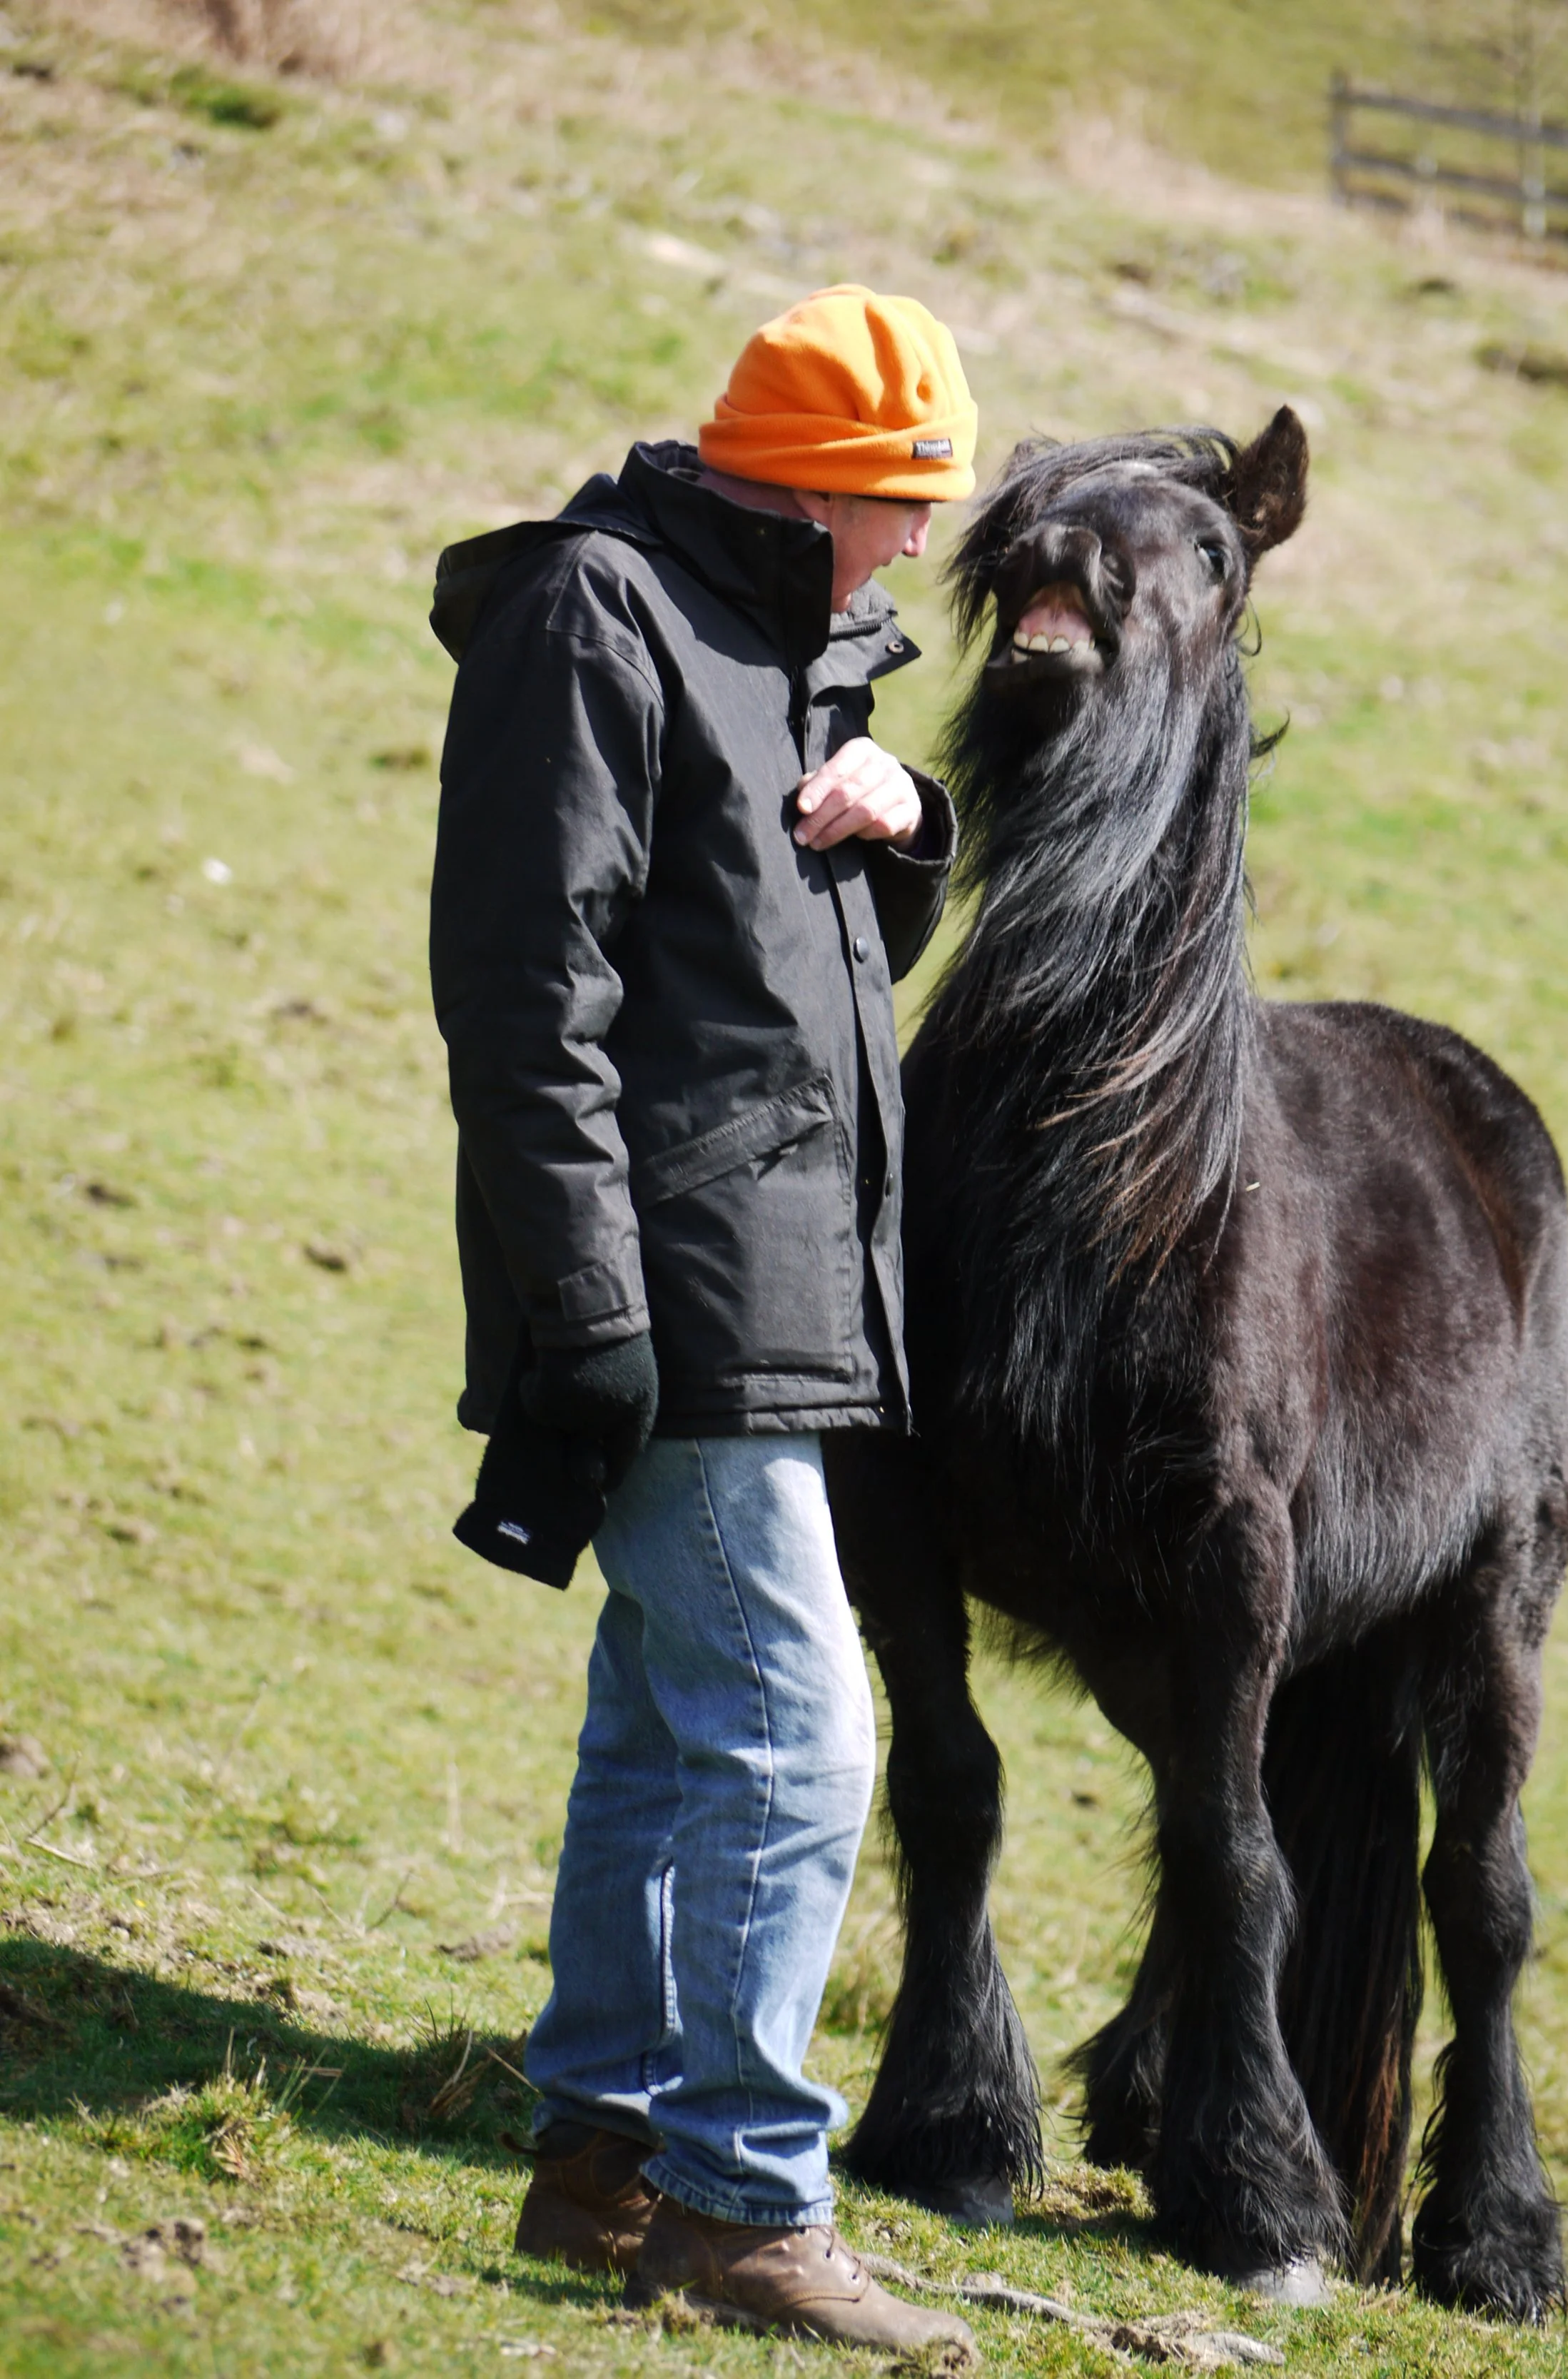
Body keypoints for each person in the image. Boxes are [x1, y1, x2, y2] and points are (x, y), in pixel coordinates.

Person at [428, 286, 977, 2355]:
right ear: (816, 488)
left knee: (669, 1724)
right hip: (670, 1281)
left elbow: (780, 962)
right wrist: (587, 1306)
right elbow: (524, 996)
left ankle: (602, 2166)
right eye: (904, 501)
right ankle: (745, 2205)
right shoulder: (600, 614)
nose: (919, 542)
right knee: (798, 1729)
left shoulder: (794, 646)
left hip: (769, 1273)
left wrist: (901, 828)